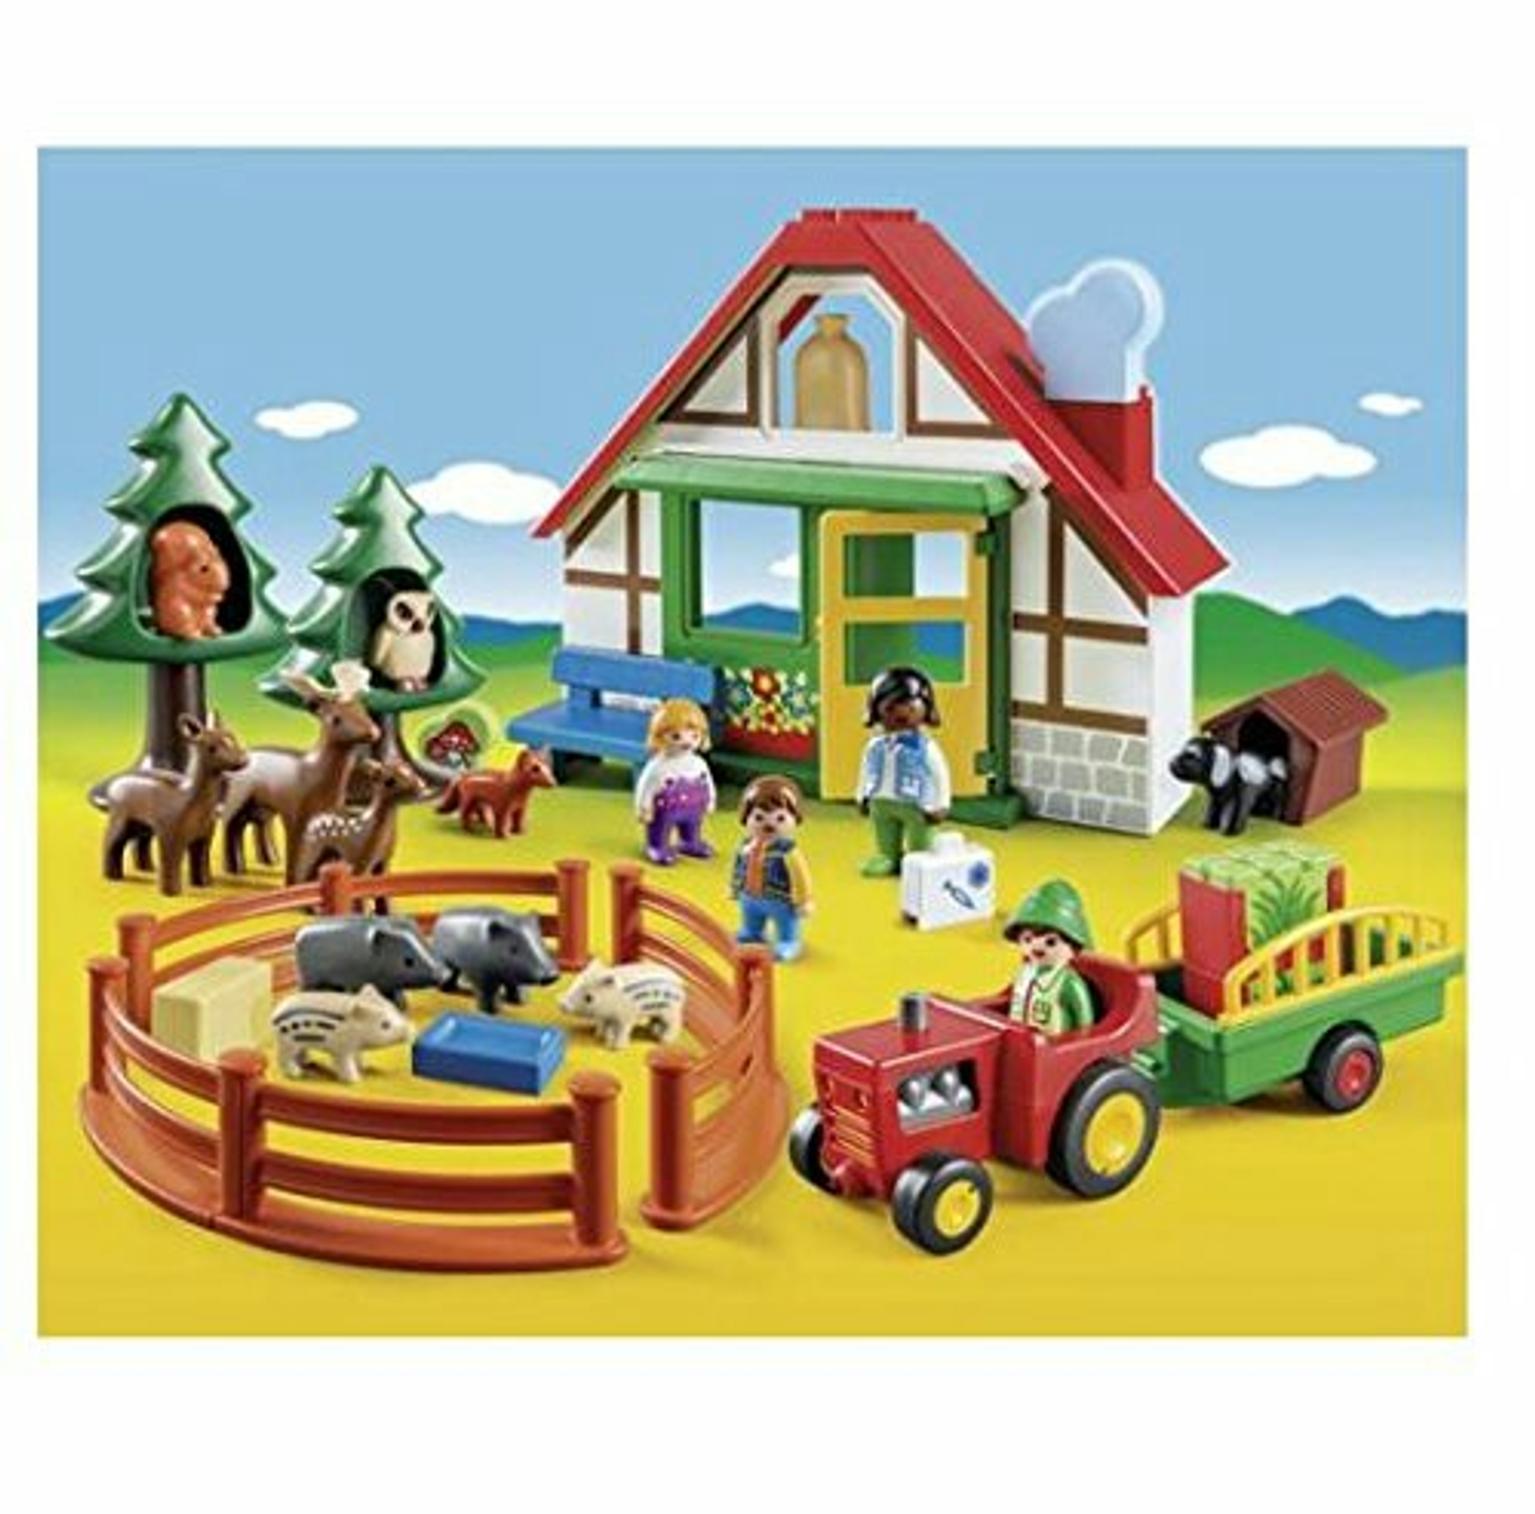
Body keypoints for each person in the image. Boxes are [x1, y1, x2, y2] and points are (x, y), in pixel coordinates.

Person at [855, 666, 950, 878]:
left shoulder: (925, 748)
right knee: (885, 832)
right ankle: (887, 857)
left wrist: (941, 803)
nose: (901, 712)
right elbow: (866, 770)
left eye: (910, 706)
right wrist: (862, 795)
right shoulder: (875, 746)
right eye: (890, 707)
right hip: (881, 801)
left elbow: (940, 775)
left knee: (920, 839)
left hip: (917, 804)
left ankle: (919, 862)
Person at [730, 775, 813, 963]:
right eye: (759, 817)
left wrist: (803, 901)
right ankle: (752, 932)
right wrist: (734, 888)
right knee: (751, 919)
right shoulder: (745, 847)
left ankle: (788, 941)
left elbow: (800, 878)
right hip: (749, 896)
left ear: (795, 819)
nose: (769, 824)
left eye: (780, 818)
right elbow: (737, 867)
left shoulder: (788, 852)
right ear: (746, 818)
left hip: (780, 900)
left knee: (786, 924)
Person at [1001, 879, 1097, 1035]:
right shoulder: (1025, 973)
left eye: (1051, 942)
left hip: (1054, 1045)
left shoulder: (1067, 982)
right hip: (1017, 1038)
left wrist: (1080, 1043)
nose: (1036, 947)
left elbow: (1084, 1020)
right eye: (1028, 939)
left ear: (1073, 948)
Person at [634, 698, 716, 865]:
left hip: (694, 807)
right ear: (658, 737)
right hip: (665, 809)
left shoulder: (699, 763)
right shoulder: (657, 766)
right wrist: (644, 808)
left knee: (692, 826)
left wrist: (711, 800)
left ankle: (690, 841)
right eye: (676, 736)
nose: (687, 742)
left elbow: (708, 782)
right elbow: (646, 787)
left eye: (694, 736)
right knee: (660, 828)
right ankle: (657, 845)